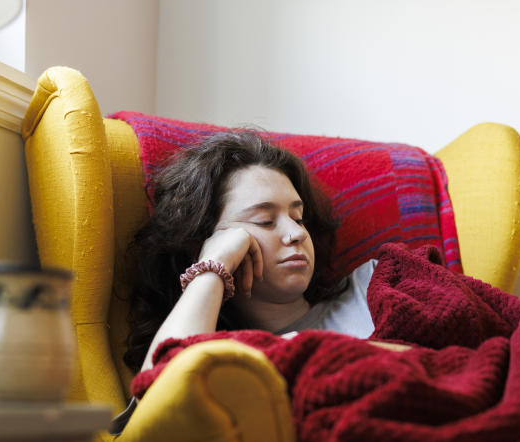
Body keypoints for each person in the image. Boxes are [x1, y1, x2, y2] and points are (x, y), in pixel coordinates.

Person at [124, 130, 377, 374]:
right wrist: (211, 265)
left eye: (298, 218)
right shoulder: (223, 359)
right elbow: (160, 395)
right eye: (265, 221)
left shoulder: (372, 284)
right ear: (206, 240)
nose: (297, 233)